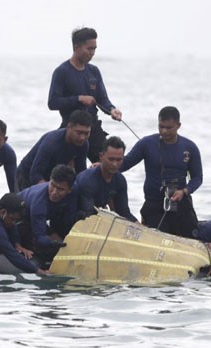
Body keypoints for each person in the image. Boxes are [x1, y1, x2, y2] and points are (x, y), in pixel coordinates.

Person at [121, 106, 202, 238]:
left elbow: (198, 178)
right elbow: (124, 164)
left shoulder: (190, 147)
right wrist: (103, 165)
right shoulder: (146, 143)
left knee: (191, 237)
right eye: (160, 127)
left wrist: (185, 191)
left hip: (181, 203)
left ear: (178, 125)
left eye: (169, 128)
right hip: (153, 204)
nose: (164, 131)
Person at [48, 26, 122, 163]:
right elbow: (53, 102)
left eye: (94, 49)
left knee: (107, 163)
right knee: (66, 170)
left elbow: (102, 99)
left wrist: (112, 110)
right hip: (71, 128)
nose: (92, 53)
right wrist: (79, 99)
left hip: (93, 126)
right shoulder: (62, 71)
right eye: (89, 49)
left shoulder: (94, 71)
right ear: (76, 47)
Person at [18, 165, 78, 266]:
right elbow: (40, 236)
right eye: (52, 185)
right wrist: (51, 244)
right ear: (49, 180)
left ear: (69, 190)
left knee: (64, 243)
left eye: (60, 189)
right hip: (21, 218)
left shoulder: (75, 190)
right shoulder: (39, 203)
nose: (54, 192)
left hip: (43, 218)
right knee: (50, 248)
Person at [16, 109, 91, 191]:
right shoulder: (51, 142)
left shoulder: (84, 144)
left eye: (86, 133)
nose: (82, 138)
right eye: (79, 133)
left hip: (51, 177)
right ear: (69, 127)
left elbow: (80, 172)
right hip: (26, 175)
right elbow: (35, 175)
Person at [76, 136, 137, 222]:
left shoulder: (120, 180)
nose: (115, 164)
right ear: (101, 156)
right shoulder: (88, 180)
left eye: (119, 160)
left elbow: (124, 213)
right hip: (77, 218)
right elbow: (88, 216)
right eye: (111, 159)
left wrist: (145, 230)